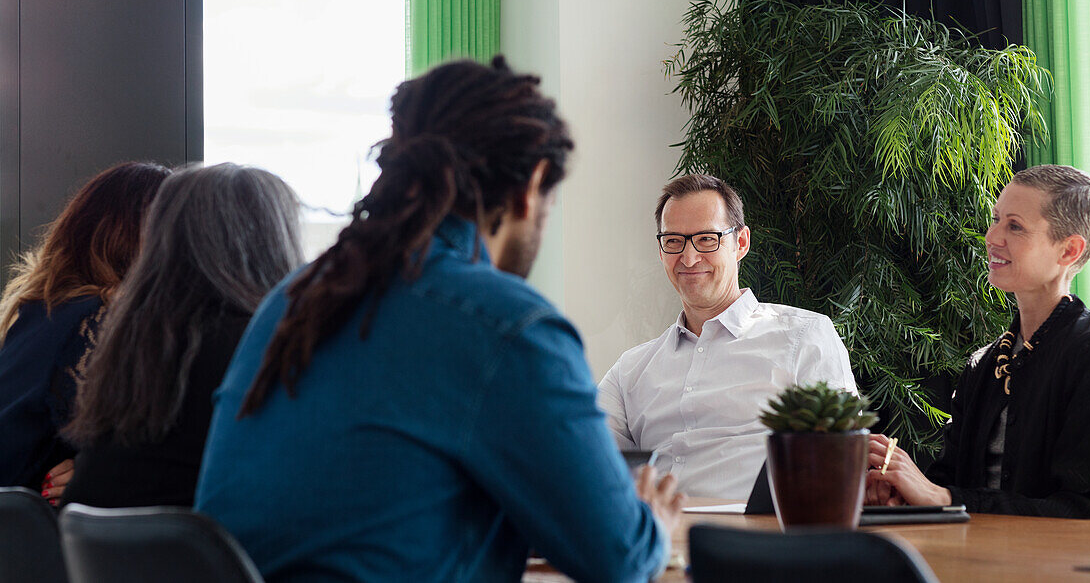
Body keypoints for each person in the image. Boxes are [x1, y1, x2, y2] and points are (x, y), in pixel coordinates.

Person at [195, 57, 682, 583]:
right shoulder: (509, 326)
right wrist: (652, 521)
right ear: (532, 184)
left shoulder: (292, 301)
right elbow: (618, 558)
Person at [598, 174, 858, 499]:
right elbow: (585, 464)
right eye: (673, 241)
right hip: (656, 541)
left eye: (707, 239)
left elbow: (843, 465)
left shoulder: (805, 337)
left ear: (741, 243)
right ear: (661, 250)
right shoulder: (629, 371)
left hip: (762, 542)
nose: (689, 258)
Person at [59, 163, 303, 508]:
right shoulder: (255, 349)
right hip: (203, 557)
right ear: (274, 243)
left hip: (92, 556)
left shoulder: (128, 344)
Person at [866, 164, 1090, 518]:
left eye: (1015, 226)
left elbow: (1086, 511)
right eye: (996, 219)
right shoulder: (985, 363)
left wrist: (943, 498)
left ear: (1068, 251)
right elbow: (949, 482)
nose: (992, 236)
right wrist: (901, 492)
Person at [0, 162, 170, 501]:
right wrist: (97, 471)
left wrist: (90, 468)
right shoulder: (96, 318)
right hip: (37, 540)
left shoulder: (41, 310)